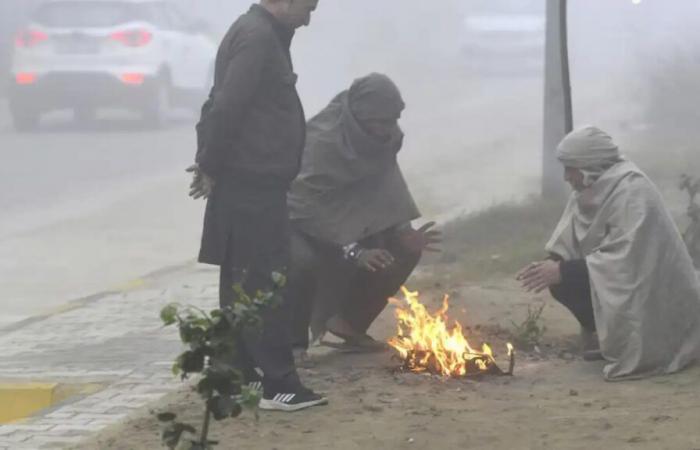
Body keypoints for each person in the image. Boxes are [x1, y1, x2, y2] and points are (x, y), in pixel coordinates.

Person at [187, 0, 327, 412]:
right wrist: (210, 163)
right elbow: (226, 104)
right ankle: (278, 384)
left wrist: (211, 161)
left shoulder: (264, 33)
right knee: (266, 284)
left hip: (251, 182)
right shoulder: (257, 36)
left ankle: (236, 376)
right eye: (307, 7)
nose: (308, 17)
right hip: (249, 184)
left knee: (242, 282)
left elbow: (223, 103)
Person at [518, 126, 700, 380]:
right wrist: (551, 264)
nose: (566, 177)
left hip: (654, 295)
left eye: (570, 168)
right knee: (562, 281)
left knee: (566, 275)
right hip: (621, 279)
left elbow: (629, 263)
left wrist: (562, 271)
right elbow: (567, 241)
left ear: (588, 166)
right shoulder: (586, 190)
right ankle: (611, 341)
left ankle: (639, 347)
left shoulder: (632, 190)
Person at [286, 73, 441, 357]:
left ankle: (348, 323)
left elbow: (385, 183)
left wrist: (401, 229)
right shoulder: (321, 143)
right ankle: (291, 343)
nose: (387, 129)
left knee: (402, 251)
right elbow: (304, 206)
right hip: (298, 224)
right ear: (358, 117)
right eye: (379, 122)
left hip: (347, 223)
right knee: (302, 264)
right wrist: (355, 251)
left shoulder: (384, 139)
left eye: (392, 120)